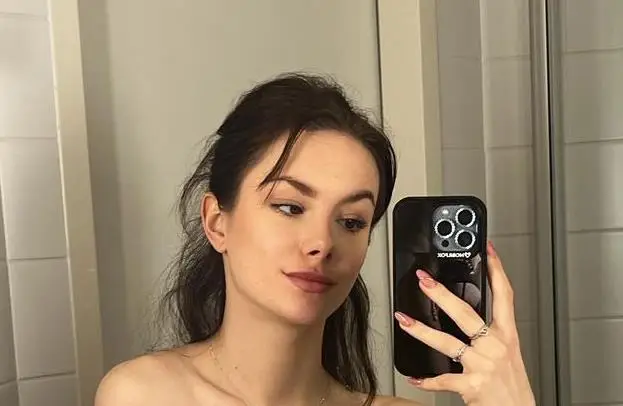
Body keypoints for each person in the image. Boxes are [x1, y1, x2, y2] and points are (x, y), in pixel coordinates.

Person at [94, 73, 535, 406]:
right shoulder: (142, 395)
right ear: (216, 222)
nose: (322, 243)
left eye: (351, 222)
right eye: (290, 207)